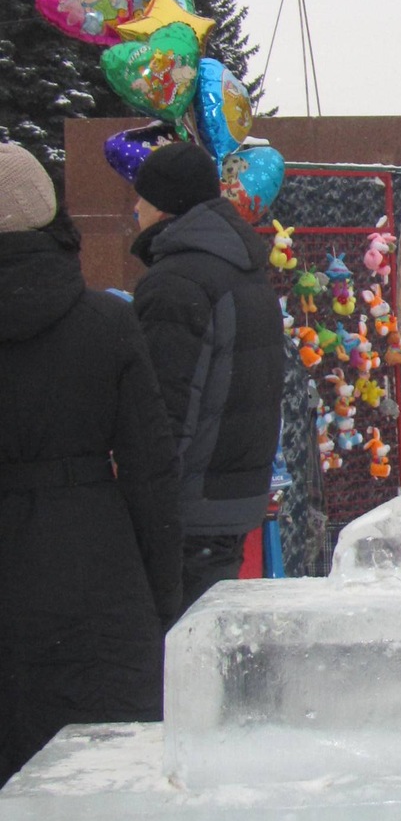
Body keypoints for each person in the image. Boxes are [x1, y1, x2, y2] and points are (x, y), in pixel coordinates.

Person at [0, 143, 180, 787]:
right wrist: (160, 597)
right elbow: (151, 471)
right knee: (97, 778)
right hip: (94, 569)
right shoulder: (107, 324)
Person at [129, 141, 285, 612]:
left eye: (141, 198)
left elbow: (162, 409)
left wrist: (138, 497)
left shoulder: (177, 282)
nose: (135, 208)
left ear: (164, 206)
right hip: (232, 498)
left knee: (170, 641)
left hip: (186, 507)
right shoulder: (243, 268)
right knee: (202, 636)